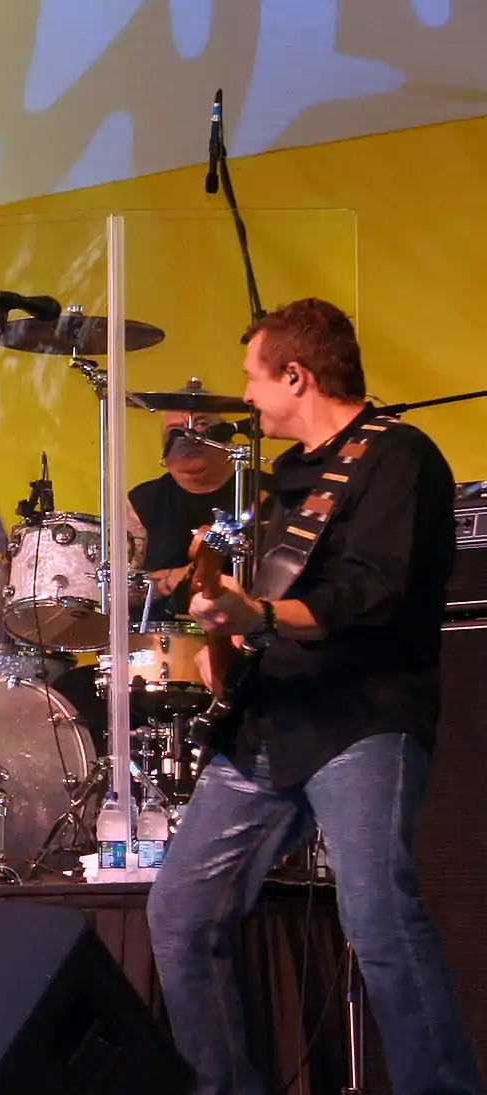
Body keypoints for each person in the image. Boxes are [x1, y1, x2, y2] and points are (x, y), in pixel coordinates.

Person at [149, 298, 481, 1094]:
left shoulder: (399, 457)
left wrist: (259, 616)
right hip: (271, 720)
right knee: (180, 913)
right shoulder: (287, 479)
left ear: (296, 375)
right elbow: (267, 603)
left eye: (253, 377)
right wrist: (227, 638)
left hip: (360, 718)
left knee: (380, 922)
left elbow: (371, 593)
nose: (246, 395)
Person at [124, 409, 243, 623]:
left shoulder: (265, 493)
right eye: (176, 431)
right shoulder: (141, 501)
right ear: (164, 449)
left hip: (243, 629)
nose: (189, 437)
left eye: (200, 425)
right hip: (159, 635)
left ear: (226, 437)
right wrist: (167, 581)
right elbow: (119, 585)